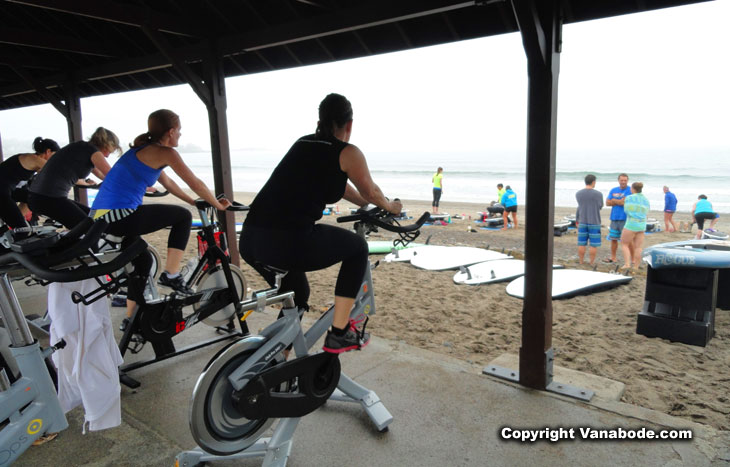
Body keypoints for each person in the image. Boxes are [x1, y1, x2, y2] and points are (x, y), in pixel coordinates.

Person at [239, 93, 402, 354]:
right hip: (288, 241)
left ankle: (274, 357)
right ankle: (340, 333)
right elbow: (371, 191)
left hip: (250, 240)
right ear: (349, 125)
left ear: (321, 120)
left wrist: (365, 205)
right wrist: (390, 207)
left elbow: (344, 186)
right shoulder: (348, 152)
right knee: (357, 248)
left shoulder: (303, 143)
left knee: (298, 296)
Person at [89, 109, 231, 329]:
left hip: (102, 216)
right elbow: (196, 183)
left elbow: (170, 183)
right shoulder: (166, 153)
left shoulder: (145, 150)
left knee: (143, 262)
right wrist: (218, 204)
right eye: (180, 131)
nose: (181, 136)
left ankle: (131, 319)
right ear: (171, 131)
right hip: (120, 215)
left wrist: (193, 201)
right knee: (182, 217)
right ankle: (172, 274)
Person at [27, 128, 120, 228]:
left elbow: (103, 175)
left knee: (93, 216)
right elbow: (112, 175)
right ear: (106, 146)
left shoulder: (82, 148)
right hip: (48, 198)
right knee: (87, 227)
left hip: (39, 196)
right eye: (109, 152)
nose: (107, 156)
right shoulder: (92, 151)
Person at [0, 137, 59, 231]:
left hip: (8, 190)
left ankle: (14, 224)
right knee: (21, 229)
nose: (54, 160)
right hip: (2, 193)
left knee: (32, 197)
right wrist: (83, 182)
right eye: (54, 155)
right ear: (48, 152)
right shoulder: (33, 159)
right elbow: (58, 172)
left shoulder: (34, 163)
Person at [620, 182, 650, 272]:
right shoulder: (645, 199)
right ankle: (636, 266)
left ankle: (627, 264)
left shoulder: (629, 198)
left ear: (633, 189)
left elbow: (626, 210)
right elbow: (647, 211)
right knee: (638, 247)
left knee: (624, 244)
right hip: (642, 224)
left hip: (631, 224)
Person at [575, 174, 603, 266]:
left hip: (582, 220)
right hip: (594, 221)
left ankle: (581, 261)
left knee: (581, 243)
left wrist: (577, 220)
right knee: (593, 244)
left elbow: (579, 206)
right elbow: (600, 206)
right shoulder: (598, 194)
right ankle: (591, 262)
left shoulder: (578, 193)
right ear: (593, 182)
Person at [604, 173, 631, 263]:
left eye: (625, 180)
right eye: (621, 180)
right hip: (614, 218)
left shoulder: (630, 190)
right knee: (613, 239)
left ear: (627, 180)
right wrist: (619, 201)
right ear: (618, 180)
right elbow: (607, 203)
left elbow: (623, 203)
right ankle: (613, 257)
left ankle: (632, 259)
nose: (623, 182)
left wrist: (614, 200)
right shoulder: (613, 189)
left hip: (625, 218)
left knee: (627, 240)